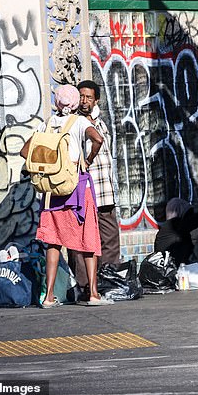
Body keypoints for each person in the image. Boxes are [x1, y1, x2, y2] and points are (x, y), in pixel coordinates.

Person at [20, 84, 112, 308]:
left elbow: (24, 151)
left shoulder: (47, 124)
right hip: (77, 187)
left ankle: (49, 296)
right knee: (88, 239)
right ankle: (93, 293)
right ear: (74, 102)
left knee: (53, 242)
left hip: (52, 192)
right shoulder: (80, 122)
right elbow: (98, 139)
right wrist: (87, 160)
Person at [68, 80, 121, 290]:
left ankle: (109, 280)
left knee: (110, 238)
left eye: (89, 97)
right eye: (81, 96)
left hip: (105, 192)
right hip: (84, 192)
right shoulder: (73, 123)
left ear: (96, 100)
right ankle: (85, 286)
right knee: (80, 242)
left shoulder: (100, 122)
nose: (84, 101)